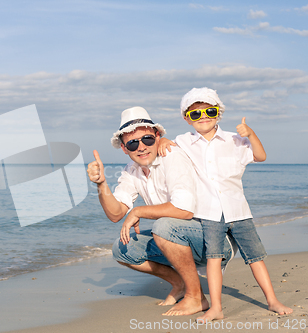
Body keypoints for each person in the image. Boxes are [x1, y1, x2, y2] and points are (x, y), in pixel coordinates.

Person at [87, 106, 237, 316]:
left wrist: (139, 211)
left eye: (147, 139)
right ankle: (180, 284)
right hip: (183, 238)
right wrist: (101, 184)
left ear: (158, 136)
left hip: (217, 241)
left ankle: (196, 298)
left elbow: (183, 210)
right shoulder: (132, 170)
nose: (141, 147)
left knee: (164, 226)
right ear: (124, 148)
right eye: (132, 143)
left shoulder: (172, 156)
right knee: (122, 248)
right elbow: (115, 214)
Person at [159, 87, 293, 322]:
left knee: (255, 257)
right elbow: (167, 150)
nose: (203, 117)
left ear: (218, 112)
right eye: (195, 114)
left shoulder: (235, 139)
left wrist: (251, 134)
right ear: (186, 118)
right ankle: (216, 308)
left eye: (209, 111)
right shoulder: (183, 142)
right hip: (209, 212)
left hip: (239, 209)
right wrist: (161, 139)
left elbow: (260, 156)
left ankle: (272, 300)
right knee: (214, 258)